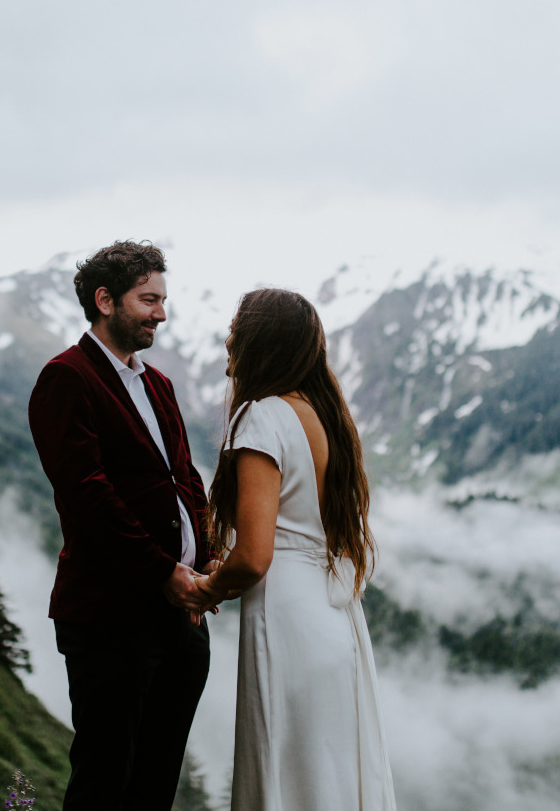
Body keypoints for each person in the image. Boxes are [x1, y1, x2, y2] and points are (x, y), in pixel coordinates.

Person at [183, 288, 397, 811]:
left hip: (286, 617)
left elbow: (255, 556)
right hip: (334, 615)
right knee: (329, 777)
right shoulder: (322, 415)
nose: (227, 338)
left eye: (236, 328)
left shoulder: (261, 416)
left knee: (285, 773)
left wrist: (205, 588)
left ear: (260, 340)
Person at [27, 240, 212, 811]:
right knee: (105, 780)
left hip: (179, 616)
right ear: (105, 301)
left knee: (156, 780)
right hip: (110, 618)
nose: (160, 312)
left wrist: (203, 562)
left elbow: (184, 476)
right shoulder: (66, 378)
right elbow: (86, 494)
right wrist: (163, 571)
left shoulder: (157, 383)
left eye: (162, 299)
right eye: (148, 299)